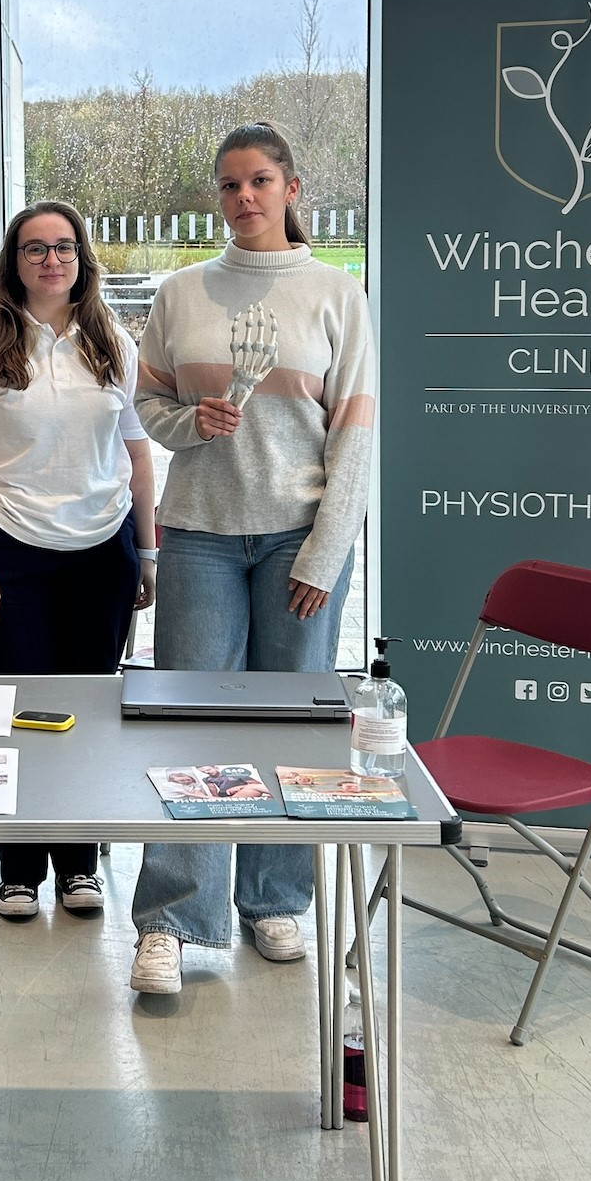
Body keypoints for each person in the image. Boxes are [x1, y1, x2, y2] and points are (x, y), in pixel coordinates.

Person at [126, 122, 375, 997]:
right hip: (197, 532)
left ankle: (274, 899)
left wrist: (325, 552)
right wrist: (191, 423)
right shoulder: (181, 293)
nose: (244, 198)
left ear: (292, 188)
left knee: (295, 723)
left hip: (297, 543)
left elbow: (356, 435)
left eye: (261, 181)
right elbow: (148, 404)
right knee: (189, 721)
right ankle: (171, 918)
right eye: (230, 185)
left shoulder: (337, 295)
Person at [0, 200, 156, 920]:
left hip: (102, 551)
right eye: (35, 249)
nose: (51, 260)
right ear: (14, 261)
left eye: (63, 248)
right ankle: (20, 869)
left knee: (86, 713)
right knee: (20, 713)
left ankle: (78, 866)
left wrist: (146, 551)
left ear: (82, 260)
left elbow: (137, 452)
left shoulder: (112, 341)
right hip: (9, 550)